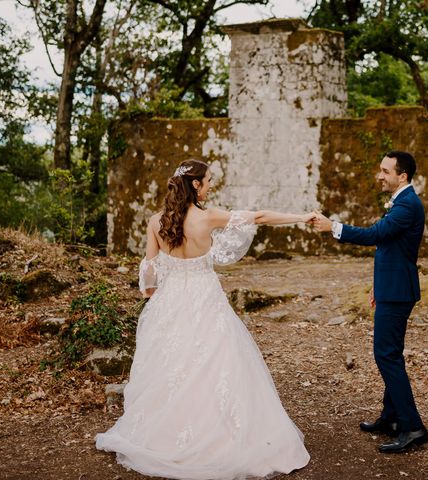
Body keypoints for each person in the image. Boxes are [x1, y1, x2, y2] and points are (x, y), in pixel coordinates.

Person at [96, 159, 313, 479]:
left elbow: (148, 272)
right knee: (217, 364)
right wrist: (302, 216)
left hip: (170, 303)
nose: (211, 186)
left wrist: (153, 296)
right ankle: (218, 433)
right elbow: (261, 216)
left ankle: (168, 433)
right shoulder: (208, 217)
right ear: (195, 185)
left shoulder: (156, 221)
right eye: (208, 181)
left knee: (172, 367)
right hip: (205, 298)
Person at [311, 151, 428, 454]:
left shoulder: (407, 205)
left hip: (398, 292)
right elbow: (389, 247)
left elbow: (375, 235)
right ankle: (391, 418)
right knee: (390, 354)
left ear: (402, 176)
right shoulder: (402, 202)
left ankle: (412, 427)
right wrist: (378, 286)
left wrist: (332, 227)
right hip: (392, 288)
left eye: (386, 171)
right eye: (380, 170)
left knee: (387, 356)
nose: (380, 175)